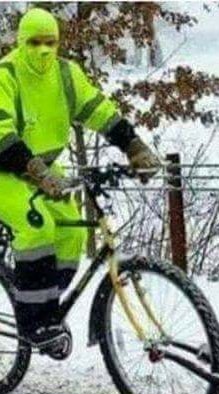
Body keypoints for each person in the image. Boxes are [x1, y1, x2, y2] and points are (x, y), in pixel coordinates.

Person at [0, 8, 160, 356]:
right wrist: (34, 170)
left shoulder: (66, 75)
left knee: (71, 232)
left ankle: (43, 305)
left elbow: (98, 110)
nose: (44, 50)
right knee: (37, 226)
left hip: (43, 167)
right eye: (35, 42)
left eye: (51, 42)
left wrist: (133, 145)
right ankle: (33, 322)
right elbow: (1, 131)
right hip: (6, 170)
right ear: (20, 41)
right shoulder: (6, 74)